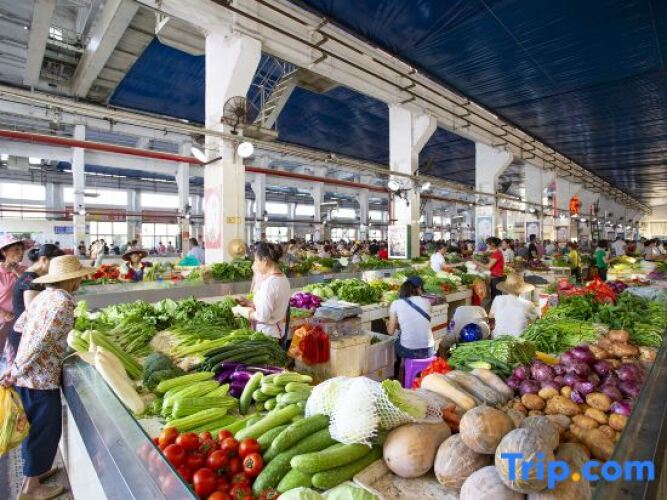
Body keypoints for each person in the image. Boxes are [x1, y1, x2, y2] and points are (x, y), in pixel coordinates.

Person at [1, 255, 93, 500]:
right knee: (45, 432)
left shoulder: (43, 296)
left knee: (33, 430)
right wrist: (16, 370)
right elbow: (41, 341)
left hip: (27, 376)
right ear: (71, 279)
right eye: (79, 277)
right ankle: (31, 490)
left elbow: (20, 326)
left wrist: (16, 366)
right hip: (39, 379)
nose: (81, 281)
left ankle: (35, 474)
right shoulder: (63, 302)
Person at [4, 244, 64, 365]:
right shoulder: (31, 279)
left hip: (27, 332)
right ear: (44, 259)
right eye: (55, 263)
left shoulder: (34, 276)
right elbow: (34, 313)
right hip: (23, 335)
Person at [233, 242, 290, 339]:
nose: (255, 264)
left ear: (264, 260)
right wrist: (249, 303)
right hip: (277, 331)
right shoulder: (283, 279)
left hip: (267, 334)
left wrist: (241, 310)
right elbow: (270, 305)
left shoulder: (269, 284)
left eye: (256, 260)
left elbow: (262, 317)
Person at [387, 276, 435, 360]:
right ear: (419, 288)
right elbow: (418, 322)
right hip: (429, 350)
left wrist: (388, 324)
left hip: (409, 351)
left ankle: (399, 366)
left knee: (395, 340)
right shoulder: (427, 302)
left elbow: (390, 332)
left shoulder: (396, 303)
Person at [490, 273, 538, 337]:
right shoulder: (528, 304)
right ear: (522, 289)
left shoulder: (497, 299)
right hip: (518, 340)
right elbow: (535, 320)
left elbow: (491, 316)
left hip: (497, 338)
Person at [0, 235, 26, 353]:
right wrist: (4, 314)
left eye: (22, 249)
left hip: (20, 319)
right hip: (3, 320)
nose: (21, 252)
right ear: (4, 252)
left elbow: (31, 286)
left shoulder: (25, 270)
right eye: (16, 249)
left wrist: (17, 273)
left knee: (17, 352)